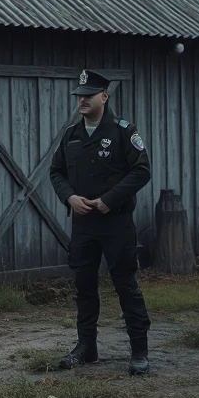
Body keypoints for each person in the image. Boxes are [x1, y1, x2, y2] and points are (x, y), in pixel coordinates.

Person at [48, 68, 152, 376]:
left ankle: (139, 351)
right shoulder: (71, 135)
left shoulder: (123, 131)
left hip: (116, 223)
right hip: (83, 225)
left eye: (88, 96)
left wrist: (110, 199)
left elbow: (142, 170)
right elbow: (56, 172)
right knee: (84, 285)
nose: (81, 100)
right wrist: (69, 198)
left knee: (125, 285)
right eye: (78, 96)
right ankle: (86, 347)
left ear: (103, 97)